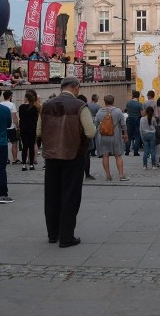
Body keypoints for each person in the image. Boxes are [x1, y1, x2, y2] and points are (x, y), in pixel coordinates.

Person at [38, 77, 96, 247]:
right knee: (70, 196)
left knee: (51, 196)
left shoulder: (47, 105)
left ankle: (52, 234)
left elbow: (39, 131)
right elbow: (90, 132)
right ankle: (66, 236)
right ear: (76, 88)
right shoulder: (79, 106)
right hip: (73, 155)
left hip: (51, 156)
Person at [94, 94, 128, 181]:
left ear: (104, 102)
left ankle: (108, 175)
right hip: (115, 136)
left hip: (103, 137)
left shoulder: (99, 112)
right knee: (118, 155)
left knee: (105, 156)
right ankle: (121, 175)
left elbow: (95, 124)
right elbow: (123, 125)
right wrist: (125, 134)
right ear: (113, 101)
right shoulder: (118, 111)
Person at [18, 89, 41, 170]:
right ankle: (31, 164)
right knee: (31, 146)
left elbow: (20, 117)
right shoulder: (34, 108)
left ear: (26, 98)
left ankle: (24, 164)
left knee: (25, 146)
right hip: (32, 129)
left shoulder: (21, 107)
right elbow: (36, 118)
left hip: (24, 128)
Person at [77, 94, 96, 180]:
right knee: (86, 155)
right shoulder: (85, 109)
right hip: (85, 137)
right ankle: (87, 174)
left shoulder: (74, 109)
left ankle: (77, 173)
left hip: (75, 136)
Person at [0, 90, 20, 164]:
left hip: (2, 127)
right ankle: (14, 159)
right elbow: (14, 117)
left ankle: (6, 159)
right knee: (14, 143)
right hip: (11, 126)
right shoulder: (12, 105)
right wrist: (17, 126)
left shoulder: (0, 104)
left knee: (4, 143)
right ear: (10, 96)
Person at [124, 91, 143, 156]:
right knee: (137, 136)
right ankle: (135, 151)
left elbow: (127, 109)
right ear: (138, 96)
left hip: (129, 119)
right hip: (137, 120)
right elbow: (142, 114)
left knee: (129, 136)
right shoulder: (140, 104)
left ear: (132, 95)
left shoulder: (128, 103)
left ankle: (127, 151)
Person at [140, 105, 159, 169]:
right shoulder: (153, 119)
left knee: (146, 151)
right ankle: (153, 165)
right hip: (152, 135)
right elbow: (156, 126)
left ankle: (144, 165)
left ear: (146, 112)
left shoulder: (142, 119)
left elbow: (140, 129)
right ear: (152, 112)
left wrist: (142, 137)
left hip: (145, 135)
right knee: (152, 150)